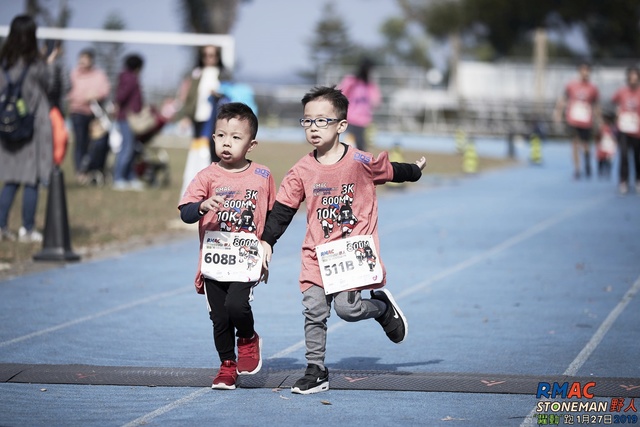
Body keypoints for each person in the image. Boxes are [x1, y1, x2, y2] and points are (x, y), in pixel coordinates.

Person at [259, 86, 426, 395]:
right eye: (307, 121)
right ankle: (316, 370)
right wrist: (267, 240)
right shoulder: (301, 170)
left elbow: (389, 171)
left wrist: (415, 170)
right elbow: (283, 210)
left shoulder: (359, 161)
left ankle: (380, 306)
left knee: (347, 311)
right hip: (316, 254)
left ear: (341, 125)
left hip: (351, 253)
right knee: (313, 310)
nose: (313, 128)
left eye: (322, 121)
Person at [178, 102, 275, 390]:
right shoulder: (207, 176)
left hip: (246, 257)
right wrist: (201, 205)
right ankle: (227, 365)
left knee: (236, 305)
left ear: (251, 143)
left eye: (235, 137)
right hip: (213, 260)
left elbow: (273, 216)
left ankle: (247, 338)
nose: (226, 143)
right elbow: (185, 211)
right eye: (221, 136)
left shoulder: (263, 176)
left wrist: (267, 245)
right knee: (219, 317)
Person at [0, 15, 58, 242]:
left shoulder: (4, 61)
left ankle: (2, 225)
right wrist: (50, 61)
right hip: (32, 126)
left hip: (7, 125)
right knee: (31, 178)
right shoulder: (37, 63)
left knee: (11, 178)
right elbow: (49, 85)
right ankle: (27, 228)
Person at [67, 48, 110, 183]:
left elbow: (105, 90)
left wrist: (95, 95)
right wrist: (83, 97)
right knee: (80, 142)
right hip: (77, 112)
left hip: (94, 115)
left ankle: (94, 169)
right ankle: (81, 171)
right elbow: (69, 92)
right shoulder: (74, 74)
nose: (82, 62)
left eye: (85, 59)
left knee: (98, 143)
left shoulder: (99, 75)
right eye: (81, 59)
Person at [179, 45, 227, 163]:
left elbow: (229, 93)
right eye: (205, 55)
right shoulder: (197, 73)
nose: (208, 58)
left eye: (211, 55)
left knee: (215, 148)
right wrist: (187, 115)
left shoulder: (223, 74)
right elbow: (191, 96)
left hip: (216, 117)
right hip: (198, 117)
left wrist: (218, 94)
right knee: (198, 148)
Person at [554, 61, 600, 180]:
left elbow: (596, 105)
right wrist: (558, 113)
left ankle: (587, 162)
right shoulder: (571, 85)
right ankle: (577, 169)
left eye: (587, 70)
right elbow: (563, 99)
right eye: (583, 70)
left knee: (585, 145)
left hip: (586, 121)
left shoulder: (593, 88)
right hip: (573, 120)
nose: (585, 73)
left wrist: (599, 120)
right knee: (574, 144)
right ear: (579, 71)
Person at [113, 54, 145, 191]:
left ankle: (130, 177)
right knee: (126, 148)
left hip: (127, 117)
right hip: (127, 118)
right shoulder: (130, 78)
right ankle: (118, 177)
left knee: (131, 148)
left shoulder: (126, 77)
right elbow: (121, 96)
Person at [338, 58, 381, 151]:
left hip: (364, 122)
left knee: (361, 150)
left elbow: (376, 102)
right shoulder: (352, 81)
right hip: (350, 119)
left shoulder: (369, 85)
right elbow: (341, 93)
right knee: (349, 147)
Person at [611, 66, 640, 195]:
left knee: (637, 157)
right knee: (623, 155)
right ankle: (623, 181)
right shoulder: (621, 92)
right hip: (623, 129)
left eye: (635, 77)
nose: (633, 80)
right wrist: (617, 111)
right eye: (631, 77)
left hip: (637, 131)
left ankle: (638, 180)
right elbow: (612, 102)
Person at [596, 111, 617, 180]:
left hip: (609, 147)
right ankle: (601, 171)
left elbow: (615, 137)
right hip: (603, 146)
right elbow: (598, 136)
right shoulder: (602, 128)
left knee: (608, 160)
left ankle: (607, 171)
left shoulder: (613, 128)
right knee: (601, 160)